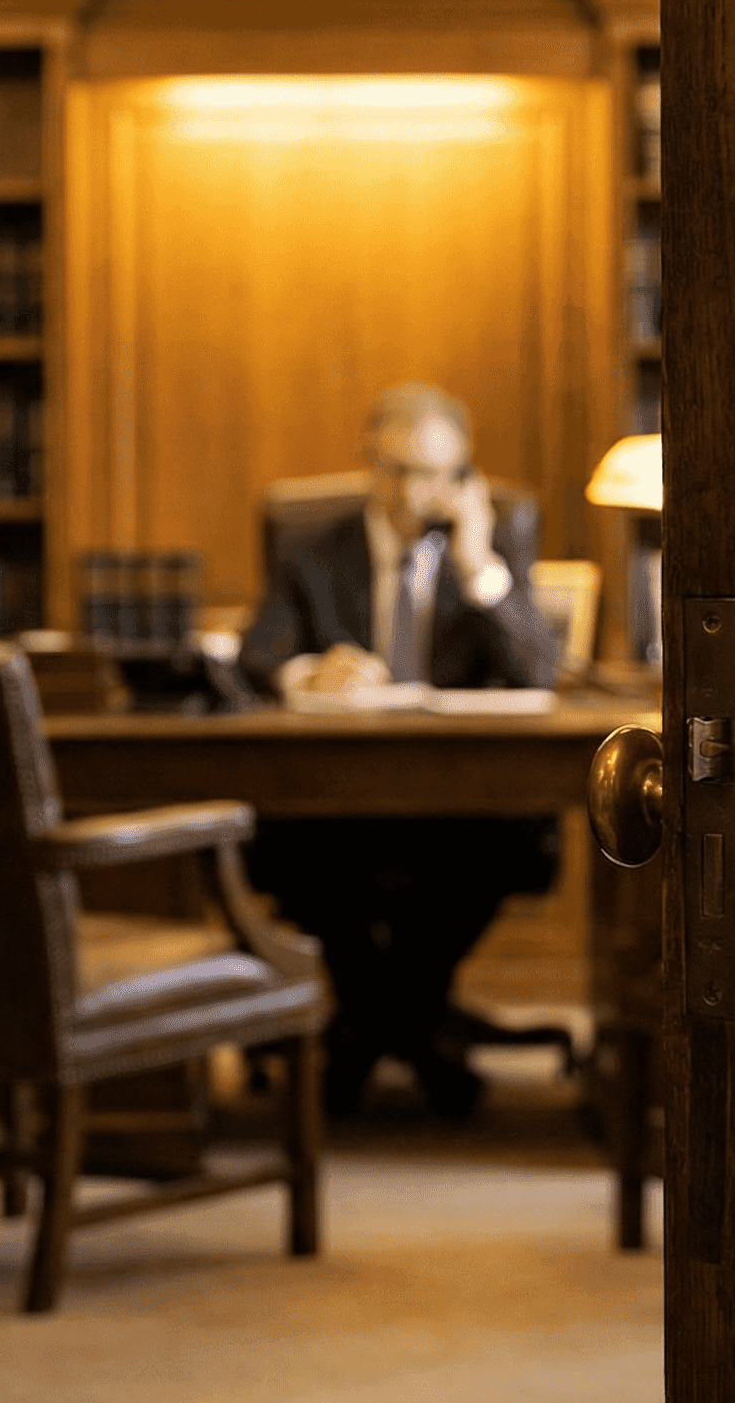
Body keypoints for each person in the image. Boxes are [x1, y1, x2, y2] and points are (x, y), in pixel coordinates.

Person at [236, 383, 561, 1118]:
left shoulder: (492, 547)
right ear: (367, 467)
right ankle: (410, 1030)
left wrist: (479, 566)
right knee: (300, 854)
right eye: (396, 470)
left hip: (463, 808)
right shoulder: (314, 550)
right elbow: (258, 657)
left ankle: (364, 1034)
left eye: (435, 474)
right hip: (335, 807)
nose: (415, 491)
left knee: (505, 845)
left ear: (462, 479)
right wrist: (309, 671)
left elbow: (537, 674)